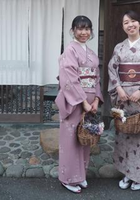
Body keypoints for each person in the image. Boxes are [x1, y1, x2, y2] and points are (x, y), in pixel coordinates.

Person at [55, 15, 103, 193]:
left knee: (84, 138)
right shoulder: (70, 50)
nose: (84, 32)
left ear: (91, 31)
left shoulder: (91, 53)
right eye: (80, 28)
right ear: (73, 30)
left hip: (90, 100)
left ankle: (80, 176)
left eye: (87, 29)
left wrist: (97, 99)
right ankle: (67, 178)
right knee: (70, 139)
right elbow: (69, 78)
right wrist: (83, 101)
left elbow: (96, 78)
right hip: (74, 100)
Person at [108, 10, 140, 191]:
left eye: (134, 21)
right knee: (124, 134)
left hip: (139, 99)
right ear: (123, 26)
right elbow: (112, 69)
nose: (130, 25)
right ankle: (128, 174)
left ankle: (139, 176)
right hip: (124, 98)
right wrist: (118, 89)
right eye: (126, 22)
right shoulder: (119, 47)